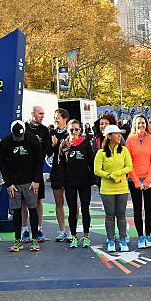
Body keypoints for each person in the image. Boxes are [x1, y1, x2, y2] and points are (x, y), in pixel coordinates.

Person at [0, 120, 43, 252]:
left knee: (33, 208)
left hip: (30, 182)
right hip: (14, 183)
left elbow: (39, 161)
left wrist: (36, 180)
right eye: (16, 136)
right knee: (16, 210)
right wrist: (8, 183)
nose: (19, 139)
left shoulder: (33, 140)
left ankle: (35, 238)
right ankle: (18, 240)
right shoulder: (6, 142)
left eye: (21, 136)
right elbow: (2, 164)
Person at [94, 124, 133, 252]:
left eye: (120, 133)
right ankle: (111, 240)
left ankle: (122, 240)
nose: (119, 136)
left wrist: (116, 174)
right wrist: (109, 176)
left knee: (121, 215)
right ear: (109, 136)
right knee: (109, 216)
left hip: (122, 188)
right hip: (107, 189)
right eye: (116, 133)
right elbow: (97, 170)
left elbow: (129, 167)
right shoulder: (101, 152)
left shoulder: (124, 150)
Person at [57, 119, 94, 248]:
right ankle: (73, 236)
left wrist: (92, 179)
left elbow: (91, 161)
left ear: (80, 130)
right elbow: (60, 164)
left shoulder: (85, 143)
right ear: (67, 130)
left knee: (85, 209)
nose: (74, 132)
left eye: (76, 129)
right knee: (72, 210)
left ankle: (86, 236)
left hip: (84, 182)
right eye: (71, 130)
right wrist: (62, 182)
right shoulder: (64, 144)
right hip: (70, 183)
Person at [126, 115, 151, 249]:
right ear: (134, 124)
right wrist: (136, 181)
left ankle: (148, 236)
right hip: (134, 180)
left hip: (150, 179)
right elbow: (128, 162)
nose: (141, 125)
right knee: (137, 209)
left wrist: (148, 180)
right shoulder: (130, 140)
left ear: (146, 124)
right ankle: (140, 236)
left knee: (149, 209)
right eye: (138, 123)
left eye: (143, 123)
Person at [24, 106, 50, 243]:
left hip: (37, 170)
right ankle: (24, 229)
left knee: (38, 199)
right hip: (23, 171)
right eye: (40, 113)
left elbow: (47, 150)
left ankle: (39, 228)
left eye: (43, 113)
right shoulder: (24, 126)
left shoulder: (44, 130)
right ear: (32, 114)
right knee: (23, 202)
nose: (42, 116)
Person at [49, 108, 70, 242]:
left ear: (64, 119)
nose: (56, 119)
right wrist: (53, 145)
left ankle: (72, 230)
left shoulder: (71, 132)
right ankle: (62, 230)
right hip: (56, 171)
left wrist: (68, 146)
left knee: (72, 202)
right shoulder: (51, 133)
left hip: (70, 172)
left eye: (58, 117)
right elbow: (47, 152)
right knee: (59, 202)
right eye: (55, 117)